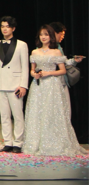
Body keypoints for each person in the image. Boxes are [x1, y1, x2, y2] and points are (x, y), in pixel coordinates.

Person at [23, 25, 83, 156]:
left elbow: (62, 71)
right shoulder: (35, 52)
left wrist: (48, 73)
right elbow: (32, 70)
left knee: (51, 113)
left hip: (52, 85)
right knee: (37, 112)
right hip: (38, 86)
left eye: (46, 34)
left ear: (51, 36)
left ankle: (52, 142)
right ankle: (35, 143)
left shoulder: (56, 52)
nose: (43, 37)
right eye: (41, 35)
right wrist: (34, 74)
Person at [0, 16, 29, 153]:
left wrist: (23, 85)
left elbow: (25, 67)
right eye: (2, 26)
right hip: (0, 84)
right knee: (4, 115)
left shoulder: (21, 45)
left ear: (13, 28)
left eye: (7, 26)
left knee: (18, 115)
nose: (4, 29)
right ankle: (7, 142)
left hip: (15, 85)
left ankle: (18, 142)